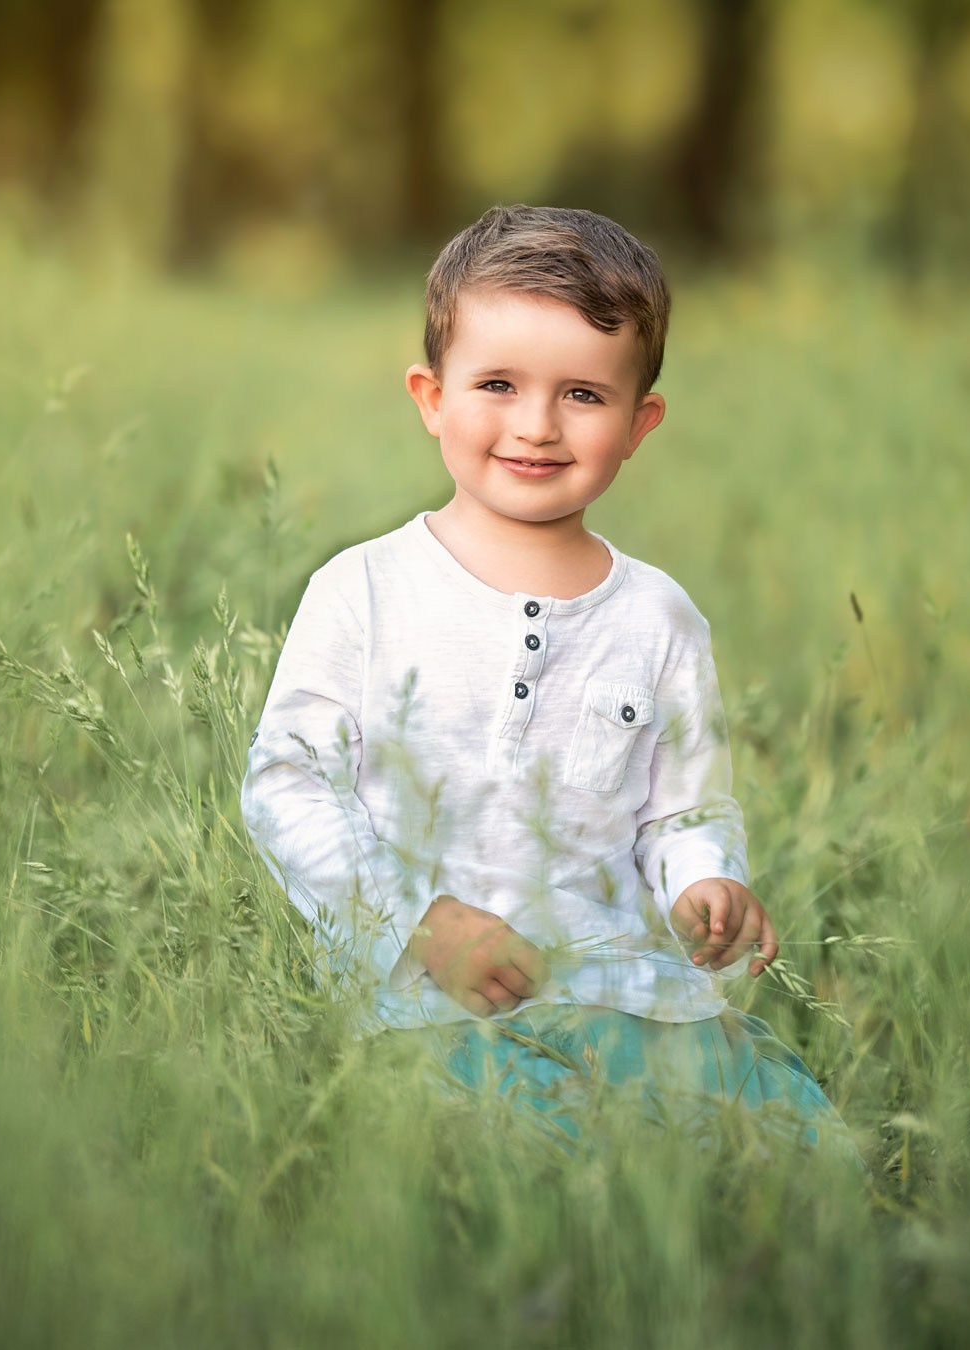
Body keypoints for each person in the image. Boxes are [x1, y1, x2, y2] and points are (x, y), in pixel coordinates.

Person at [241, 204, 852, 1150]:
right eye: (496, 383)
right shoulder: (363, 590)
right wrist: (419, 924)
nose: (536, 425)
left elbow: (681, 812)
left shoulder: (659, 620)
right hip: (436, 1005)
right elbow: (288, 787)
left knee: (800, 1150)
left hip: (634, 996)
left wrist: (704, 885)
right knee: (539, 1150)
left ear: (639, 421)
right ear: (431, 396)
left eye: (583, 395)